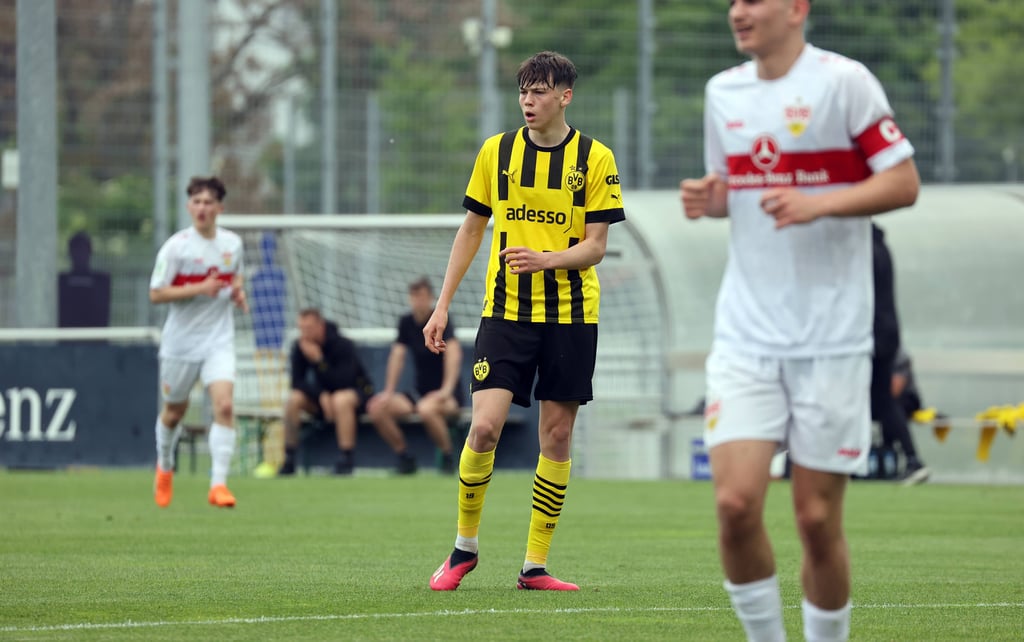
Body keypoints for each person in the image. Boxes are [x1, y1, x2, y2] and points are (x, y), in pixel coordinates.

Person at [680, 1, 920, 640]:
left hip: (833, 338)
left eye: (753, 0)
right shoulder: (722, 92)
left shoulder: (844, 83)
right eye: (732, 2)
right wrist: (713, 199)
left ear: (795, 8)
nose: (738, 11)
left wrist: (823, 204)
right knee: (734, 506)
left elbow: (902, 183)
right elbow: (737, 191)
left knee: (816, 520)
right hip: (745, 334)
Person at [424, 51, 625, 592]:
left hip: (571, 314)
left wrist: (547, 260)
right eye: (523, 91)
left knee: (555, 436)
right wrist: (442, 305)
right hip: (506, 313)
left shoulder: (595, 158)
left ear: (565, 96)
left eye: (540, 91)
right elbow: (471, 230)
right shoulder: (498, 152)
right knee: (484, 426)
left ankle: (534, 565)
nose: (529, 101)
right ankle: (463, 549)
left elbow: (597, 247)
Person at [150, 176, 248, 509]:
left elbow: (234, 277)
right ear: (189, 206)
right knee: (174, 413)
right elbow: (156, 293)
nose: (202, 208)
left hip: (218, 340)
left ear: (220, 208)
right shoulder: (176, 247)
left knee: (224, 406)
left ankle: (218, 485)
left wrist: (238, 292)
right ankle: (165, 466)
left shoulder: (232, 244)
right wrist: (198, 288)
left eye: (208, 202)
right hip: (180, 344)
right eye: (196, 202)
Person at [366, 277, 462, 475]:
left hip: (447, 397)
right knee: (377, 407)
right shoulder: (406, 322)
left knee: (427, 409)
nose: (419, 301)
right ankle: (405, 457)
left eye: (423, 296)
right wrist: (389, 391)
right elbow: (397, 356)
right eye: (415, 296)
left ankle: (448, 457)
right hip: (418, 393)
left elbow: (454, 354)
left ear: (431, 298)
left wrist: (446, 391)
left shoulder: (442, 321)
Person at [279, 308, 374, 476]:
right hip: (322, 400)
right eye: (301, 329)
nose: (304, 333)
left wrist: (319, 361)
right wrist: (321, 395)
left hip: (355, 395)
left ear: (320, 326)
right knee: (294, 399)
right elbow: (297, 382)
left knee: (340, 399)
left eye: (308, 328)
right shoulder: (300, 346)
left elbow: (345, 381)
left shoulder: (343, 344)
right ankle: (289, 459)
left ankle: (346, 459)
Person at [870, 223, 929, 485]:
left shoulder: (866, 251)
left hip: (873, 334)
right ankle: (911, 459)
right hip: (883, 332)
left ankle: (911, 459)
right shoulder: (881, 249)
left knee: (882, 400)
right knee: (881, 401)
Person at [58, 231, 111, 328]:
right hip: (66, 337)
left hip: (94, 338)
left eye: (83, 250)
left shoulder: (101, 281)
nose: (80, 254)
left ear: (89, 252)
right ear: (70, 252)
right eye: (77, 250)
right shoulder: (61, 281)